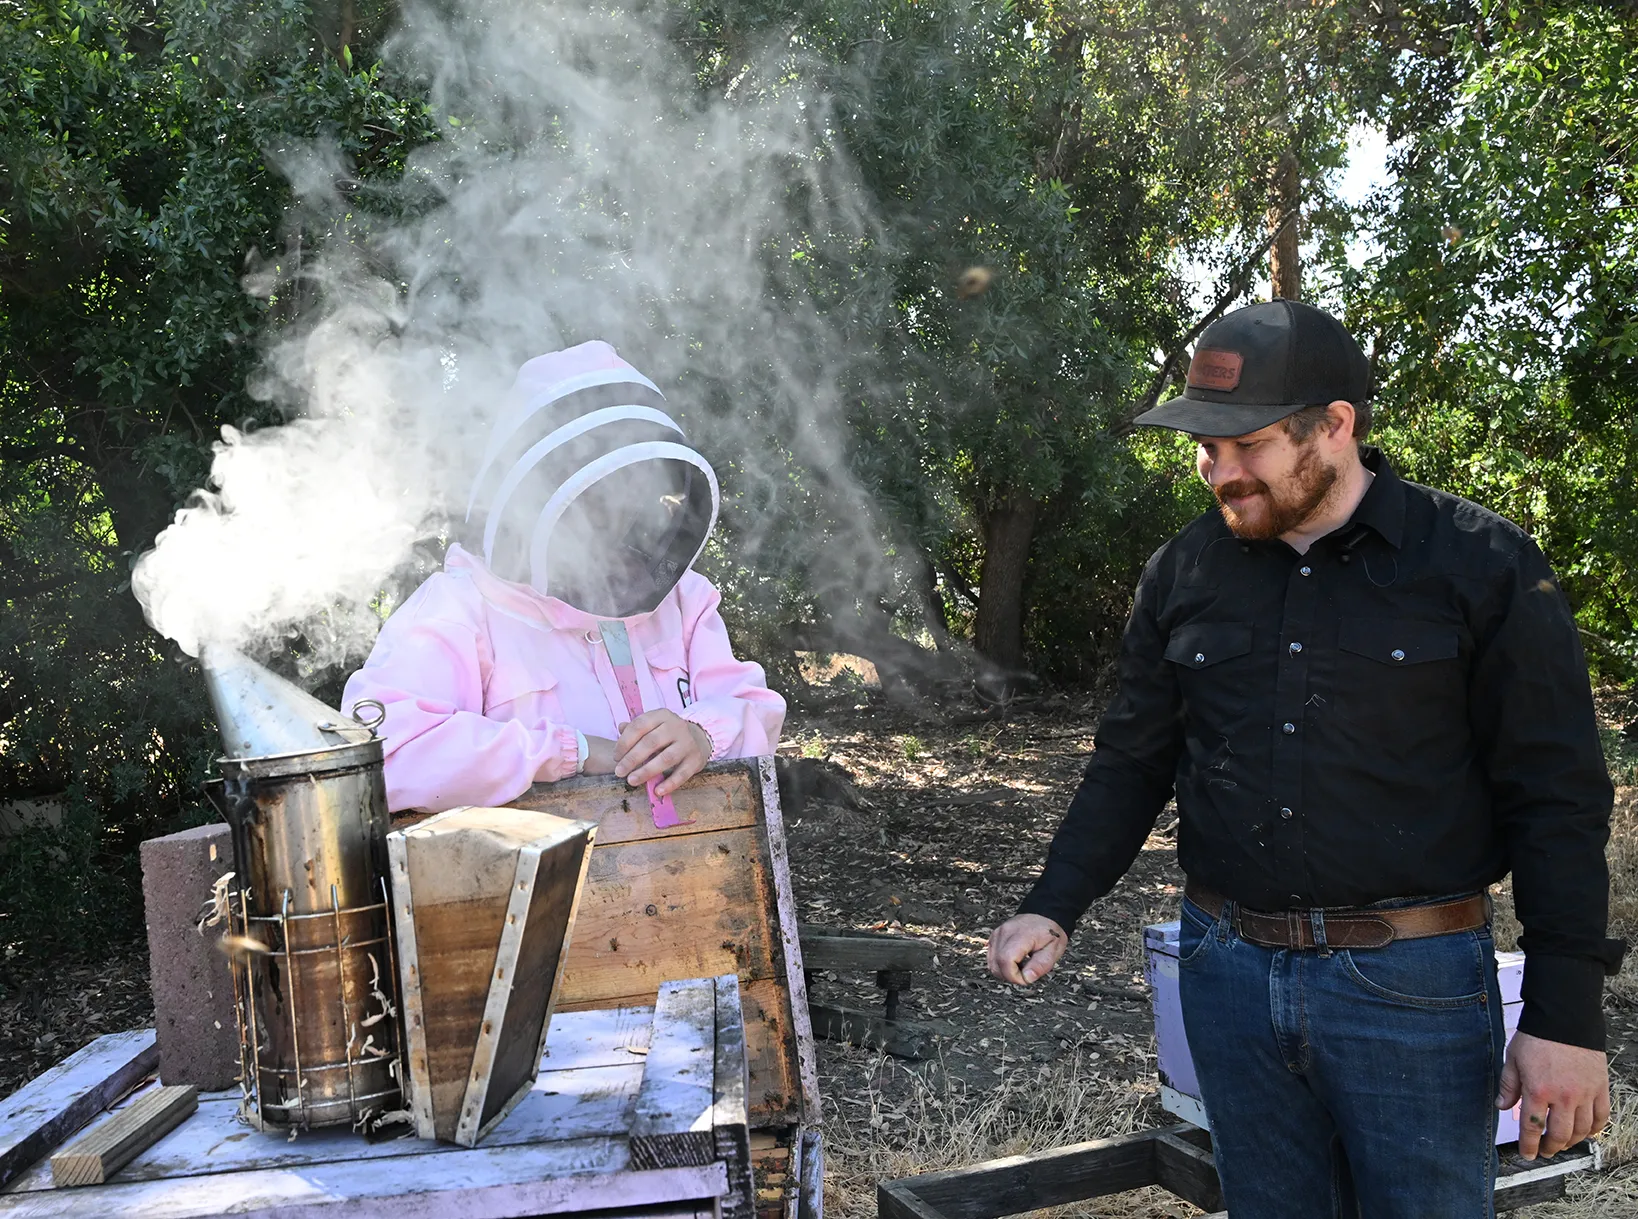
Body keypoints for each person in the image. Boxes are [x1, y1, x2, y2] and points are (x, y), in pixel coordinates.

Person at [986, 300, 1623, 1217]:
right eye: (1205, 448)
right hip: (1227, 974)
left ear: (1334, 426)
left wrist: (1566, 1014)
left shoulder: (1483, 566)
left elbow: (1558, 797)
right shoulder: (1182, 573)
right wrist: (1055, 900)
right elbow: (1130, 763)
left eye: (1246, 445)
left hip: (1413, 985)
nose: (1220, 472)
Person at [342, 341, 785, 813]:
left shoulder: (684, 599)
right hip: (536, 885)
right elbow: (386, 753)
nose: (614, 507)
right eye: (595, 487)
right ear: (536, 486)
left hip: (700, 872)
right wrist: (567, 751)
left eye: (630, 484)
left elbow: (755, 707)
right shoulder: (461, 608)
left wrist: (702, 733)